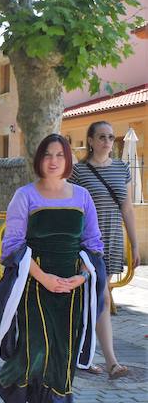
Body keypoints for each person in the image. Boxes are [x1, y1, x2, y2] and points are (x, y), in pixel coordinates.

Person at [0, 134, 103, 403]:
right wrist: (44, 278)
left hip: (72, 286)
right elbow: (12, 247)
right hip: (34, 283)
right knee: (35, 348)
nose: (53, 161)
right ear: (39, 159)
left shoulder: (83, 197)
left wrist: (80, 277)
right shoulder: (25, 195)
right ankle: (13, 402)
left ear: (68, 159)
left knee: (64, 350)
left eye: (59, 154)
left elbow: (93, 244)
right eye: (47, 155)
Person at [70, 121, 141, 379]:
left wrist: (134, 244)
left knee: (100, 297)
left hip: (112, 240)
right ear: (90, 140)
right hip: (85, 243)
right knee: (95, 297)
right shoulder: (79, 172)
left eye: (111, 137)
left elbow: (128, 208)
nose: (107, 142)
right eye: (101, 137)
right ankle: (106, 360)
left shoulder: (122, 169)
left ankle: (99, 358)